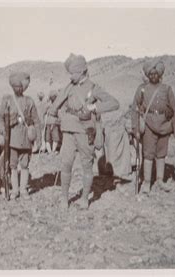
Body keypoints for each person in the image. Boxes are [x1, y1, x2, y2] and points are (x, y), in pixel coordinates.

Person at [48, 53, 119, 210]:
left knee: (87, 166)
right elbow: (56, 105)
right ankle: (64, 199)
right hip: (68, 131)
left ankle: (85, 198)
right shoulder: (69, 87)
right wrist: (53, 118)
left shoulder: (93, 88)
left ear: (81, 72)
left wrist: (95, 107)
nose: (70, 76)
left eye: (72, 73)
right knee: (66, 164)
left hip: (85, 131)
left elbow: (114, 103)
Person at [131, 59, 175, 194]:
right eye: (151, 74)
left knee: (161, 154)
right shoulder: (142, 89)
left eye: (155, 74)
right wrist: (135, 128)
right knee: (148, 154)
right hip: (148, 125)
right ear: (147, 75)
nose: (153, 76)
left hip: (165, 126)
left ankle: (160, 180)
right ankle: (147, 183)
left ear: (160, 74)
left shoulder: (167, 89)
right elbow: (134, 109)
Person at [0, 72, 42, 200]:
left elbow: (37, 121)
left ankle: (23, 190)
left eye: (20, 87)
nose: (18, 89)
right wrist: (2, 131)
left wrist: (39, 139)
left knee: (25, 165)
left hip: (26, 138)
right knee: (12, 166)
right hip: (11, 139)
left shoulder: (29, 101)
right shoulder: (7, 100)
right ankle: (15, 190)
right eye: (15, 87)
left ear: (23, 87)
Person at [45, 90, 62, 154]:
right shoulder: (57, 105)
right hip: (54, 122)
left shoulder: (47, 105)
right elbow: (59, 115)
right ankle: (52, 151)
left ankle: (50, 151)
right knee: (55, 137)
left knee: (48, 138)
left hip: (48, 122)